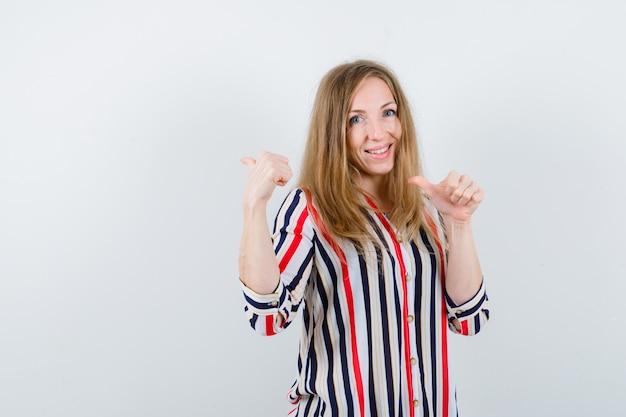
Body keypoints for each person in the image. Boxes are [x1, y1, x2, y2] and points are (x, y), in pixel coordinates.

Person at [238, 59, 490, 417]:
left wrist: (458, 223)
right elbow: (267, 316)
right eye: (356, 119)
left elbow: (469, 318)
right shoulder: (310, 209)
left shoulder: (428, 208)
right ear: (333, 132)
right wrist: (254, 206)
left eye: (388, 113)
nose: (378, 132)